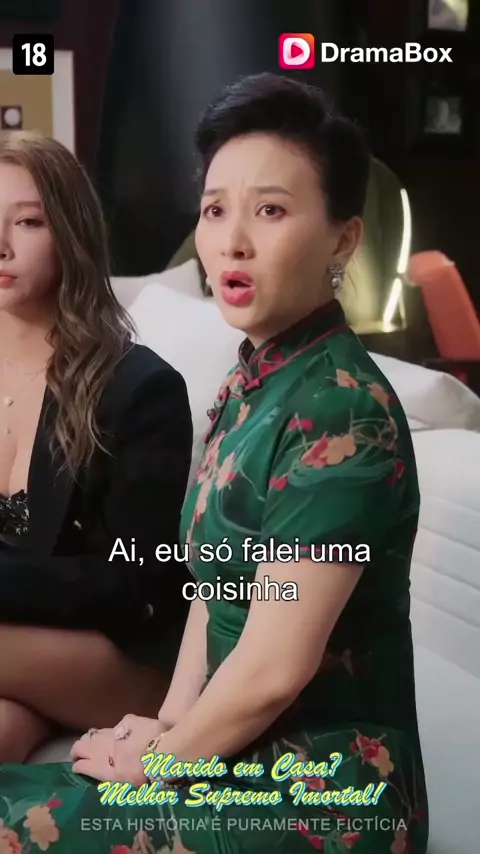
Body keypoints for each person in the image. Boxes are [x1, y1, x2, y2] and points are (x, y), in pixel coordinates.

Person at [0, 75, 428, 853]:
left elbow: (273, 669)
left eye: (270, 210)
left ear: (342, 240)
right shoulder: (250, 385)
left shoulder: (339, 409)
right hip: (227, 752)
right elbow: (212, 589)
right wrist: (166, 725)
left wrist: (159, 763)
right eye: (214, 210)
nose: (232, 241)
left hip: (325, 791)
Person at [0, 131, 192, 763]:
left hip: (117, 648)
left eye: (27, 222)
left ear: (70, 234)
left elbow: (133, 577)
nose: (1, 244)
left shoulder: (140, 388)